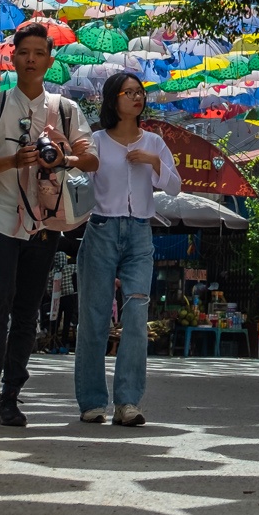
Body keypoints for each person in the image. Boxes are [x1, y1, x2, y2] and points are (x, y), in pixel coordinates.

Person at [0, 21, 97, 429]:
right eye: (24, 53)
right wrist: (12, 161)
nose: (31, 60)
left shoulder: (66, 111)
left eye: (39, 53)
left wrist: (63, 158)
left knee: (27, 308)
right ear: (12, 58)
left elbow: (91, 160)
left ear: (49, 61)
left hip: (46, 220)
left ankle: (13, 395)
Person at [76, 70, 180, 428]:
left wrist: (154, 162)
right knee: (95, 316)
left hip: (139, 234)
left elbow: (175, 186)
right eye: (127, 92)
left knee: (136, 316)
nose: (136, 98)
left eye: (139, 93)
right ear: (113, 99)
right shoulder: (98, 141)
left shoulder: (153, 142)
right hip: (102, 229)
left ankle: (128, 402)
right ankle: (91, 401)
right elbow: (79, 180)